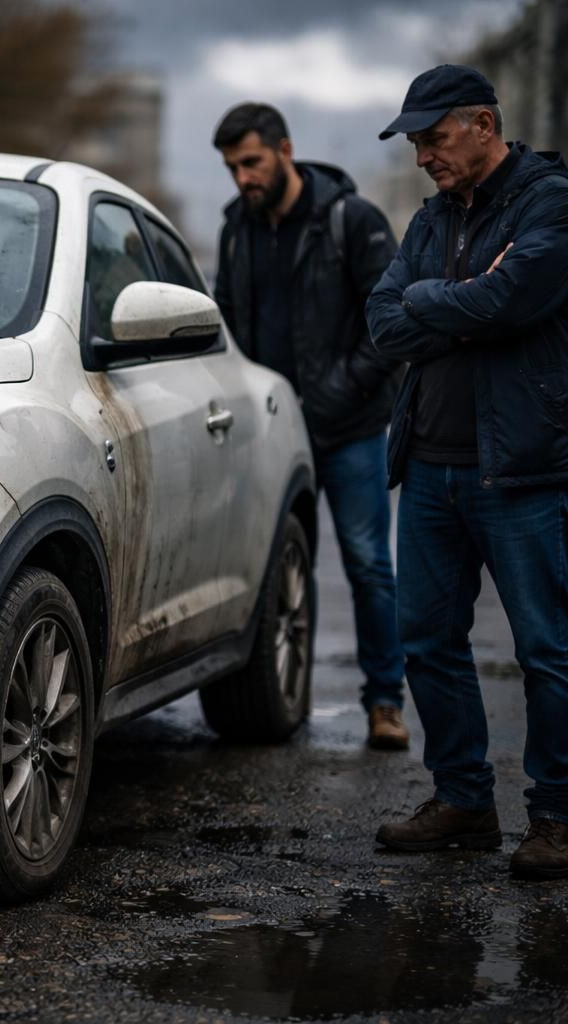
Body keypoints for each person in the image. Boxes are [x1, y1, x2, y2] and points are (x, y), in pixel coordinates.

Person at [366, 64, 568, 880]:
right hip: (431, 467)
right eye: (415, 141)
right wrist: (457, 300)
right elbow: (384, 319)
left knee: (549, 650)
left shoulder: (550, 202)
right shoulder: (430, 218)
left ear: (483, 123)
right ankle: (464, 802)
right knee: (427, 643)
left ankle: (556, 816)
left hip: (523, 471)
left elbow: (512, 301)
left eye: (434, 137)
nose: (423, 156)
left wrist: (442, 303)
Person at [212, 103, 408, 750]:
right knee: (277, 567)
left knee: (368, 566)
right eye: (232, 167)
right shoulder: (235, 230)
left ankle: (384, 702)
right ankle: (282, 694)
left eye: (251, 162)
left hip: (349, 428)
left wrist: (339, 389)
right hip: (272, 433)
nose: (242, 177)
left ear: (284, 150)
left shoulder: (350, 221)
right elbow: (231, 326)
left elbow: (392, 323)